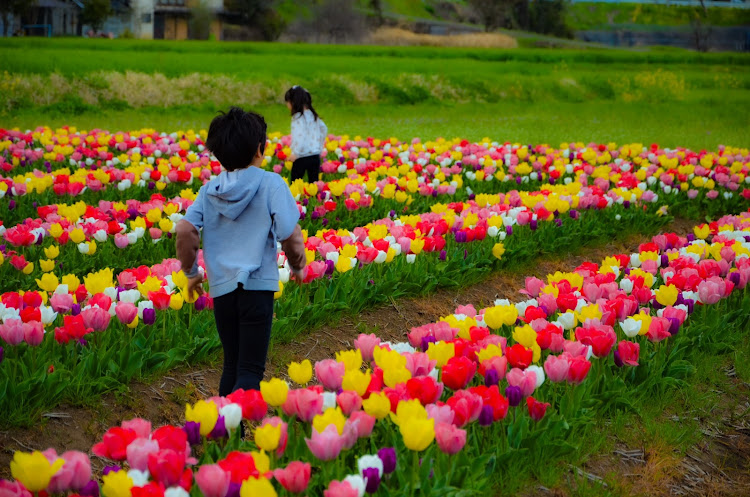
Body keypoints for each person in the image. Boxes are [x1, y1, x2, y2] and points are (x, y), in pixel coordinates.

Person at [176, 107, 306, 398]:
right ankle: (237, 433)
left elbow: (185, 230)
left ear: (218, 153)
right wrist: (297, 266)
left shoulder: (209, 190)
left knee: (231, 365)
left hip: (222, 291)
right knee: (249, 370)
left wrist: (191, 273)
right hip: (257, 289)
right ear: (260, 149)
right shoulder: (270, 183)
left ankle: (225, 433)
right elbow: (289, 232)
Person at [284, 85, 328, 183]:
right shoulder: (313, 115)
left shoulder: (297, 118)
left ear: (294, 102)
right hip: (315, 156)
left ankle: (296, 198)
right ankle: (315, 198)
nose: (287, 105)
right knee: (314, 183)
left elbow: (300, 136)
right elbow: (324, 129)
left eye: (288, 102)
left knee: (295, 182)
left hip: (301, 157)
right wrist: (319, 146)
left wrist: (296, 153)